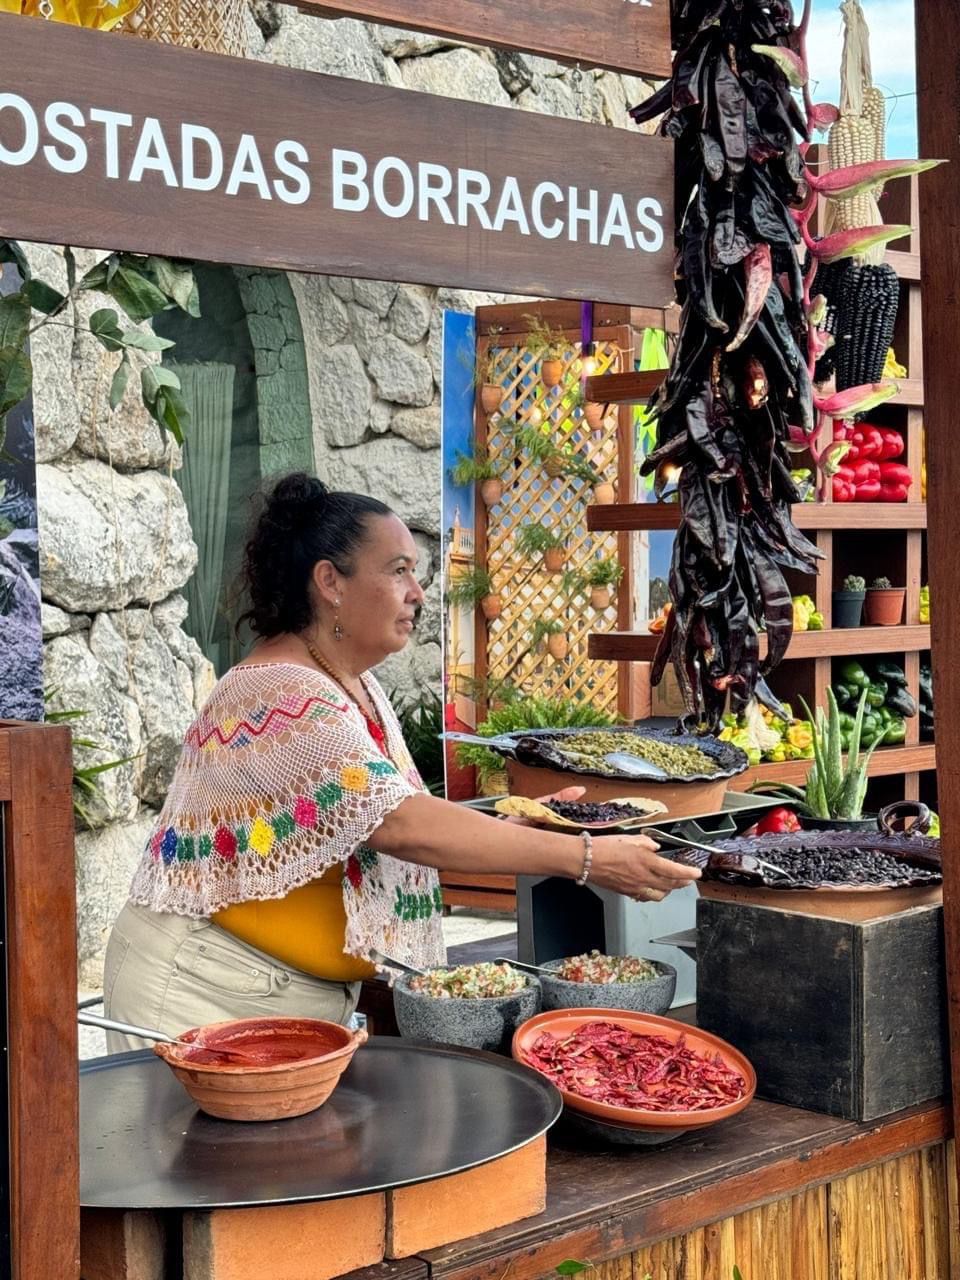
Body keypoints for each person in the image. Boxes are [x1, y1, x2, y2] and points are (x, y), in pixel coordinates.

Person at [103, 473, 699, 1050]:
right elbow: (400, 825)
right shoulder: (276, 695)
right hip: (199, 994)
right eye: (398, 571)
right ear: (330, 581)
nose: (418, 592)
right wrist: (585, 857)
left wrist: (506, 828)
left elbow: (380, 815)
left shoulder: (351, 685)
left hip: (277, 998)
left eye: (416, 572)